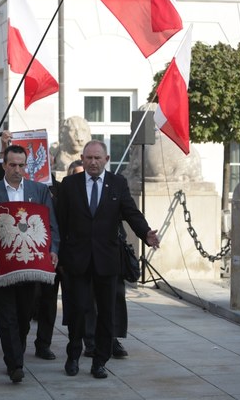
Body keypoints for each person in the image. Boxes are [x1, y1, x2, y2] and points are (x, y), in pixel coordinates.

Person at [57, 140, 160, 379]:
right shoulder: (69, 185)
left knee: (106, 313)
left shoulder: (117, 183)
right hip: (77, 260)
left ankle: (100, 362)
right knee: (78, 311)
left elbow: (131, 213)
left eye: (97, 158)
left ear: (107, 159)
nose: (93, 162)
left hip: (107, 260)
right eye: (88, 158)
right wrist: (60, 257)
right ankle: (73, 355)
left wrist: (146, 233)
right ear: (82, 159)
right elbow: (60, 223)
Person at [0, 145, 60, 383]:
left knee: (23, 317)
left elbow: (51, 226)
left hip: (29, 269)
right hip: (1, 269)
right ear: (4, 165)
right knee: (6, 317)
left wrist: (53, 251)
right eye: (12, 165)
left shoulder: (40, 191)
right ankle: (14, 364)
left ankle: (17, 351)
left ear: (26, 166)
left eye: (21, 165)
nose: (17, 169)